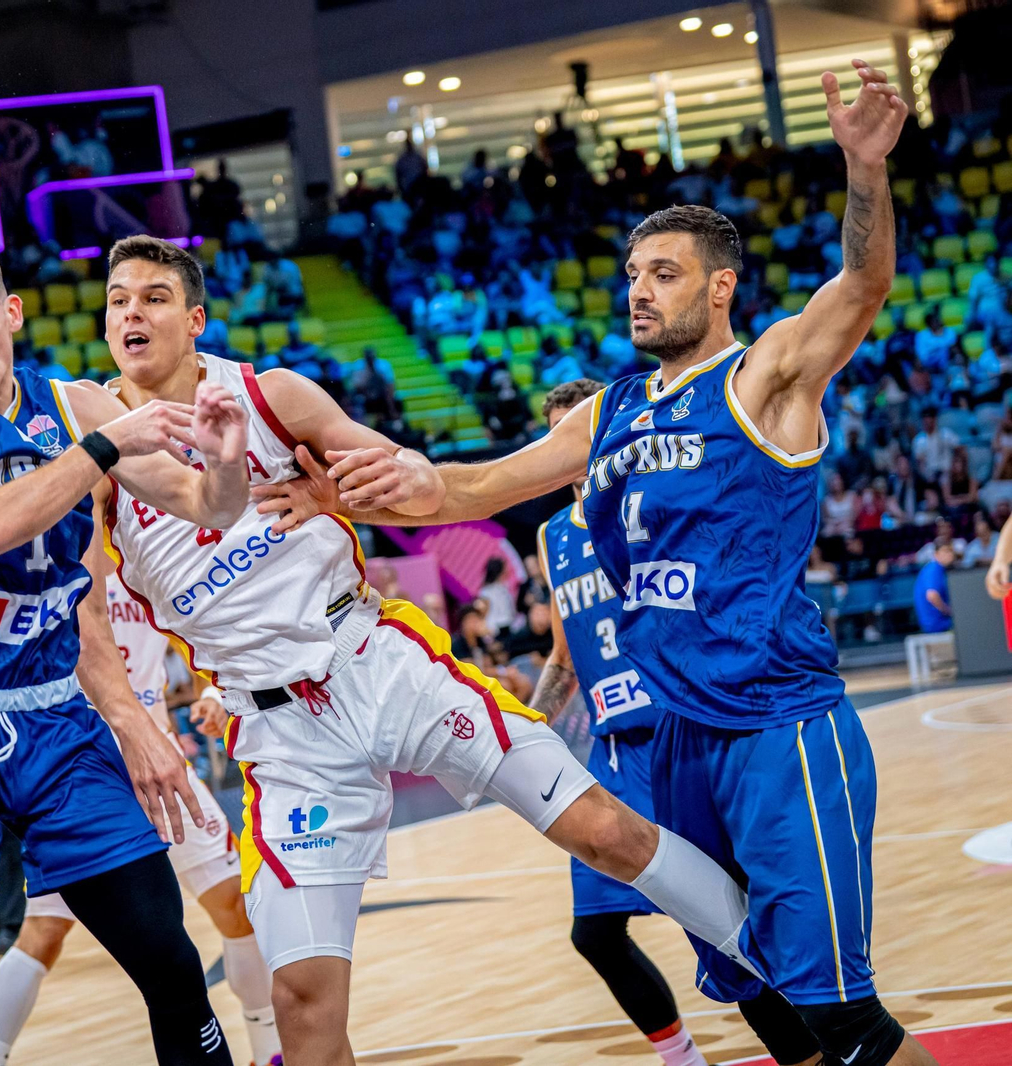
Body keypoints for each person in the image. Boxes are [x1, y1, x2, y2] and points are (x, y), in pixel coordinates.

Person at [257, 61, 936, 1066]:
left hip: (776, 723)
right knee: (760, 993)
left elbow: (862, 286)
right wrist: (349, 494)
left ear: (719, 286)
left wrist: (864, 169)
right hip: (674, 740)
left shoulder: (765, 376)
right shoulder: (609, 410)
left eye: (663, 274)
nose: (638, 291)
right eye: (631, 275)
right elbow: (475, 487)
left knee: (839, 1013)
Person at [102, 234, 772, 1066]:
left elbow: (410, 481)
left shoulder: (270, 395)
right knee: (301, 999)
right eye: (118, 300)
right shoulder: (97, 450)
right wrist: (133, 721)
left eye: (154, 297)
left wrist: (340, 491)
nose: (133, 313)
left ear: (195, 318)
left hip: (375, 659)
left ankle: (801, 982)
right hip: (278, 730)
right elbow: (89, 613)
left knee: (604, 832)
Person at [0, 239, 251, 1066]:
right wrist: (107, 447)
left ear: (11, 314)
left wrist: (227, 464)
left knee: (173, 967)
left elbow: (203, 508)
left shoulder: (73, 405)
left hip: (56, 723)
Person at [532, 379, 820, 1066]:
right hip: (613, 756)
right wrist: (521, 729)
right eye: (556, 435)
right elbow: (565, 655)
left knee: (728, 930)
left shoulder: (653, 505)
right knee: (595, 933)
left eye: (578, 431)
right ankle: (683, 1058)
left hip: (677, 732)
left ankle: (809, 1052)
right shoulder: (551, 536)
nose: (568, 448)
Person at [0, 559, 281, 1066]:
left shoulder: (148, 554)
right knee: (43, 933)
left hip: (158, 755)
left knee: (235, 906)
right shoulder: (46, 562)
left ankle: (268, 1051)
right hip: (80, 768)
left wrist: (211, 692)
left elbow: (201, 629)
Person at [914, 540, 955, 633]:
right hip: (937, 624)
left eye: (951, 551)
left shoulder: (937, 569)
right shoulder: (934, 569)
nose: (950, 554)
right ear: (936, 554)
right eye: (946, 551)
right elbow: (932, 596)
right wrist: (950, 611)